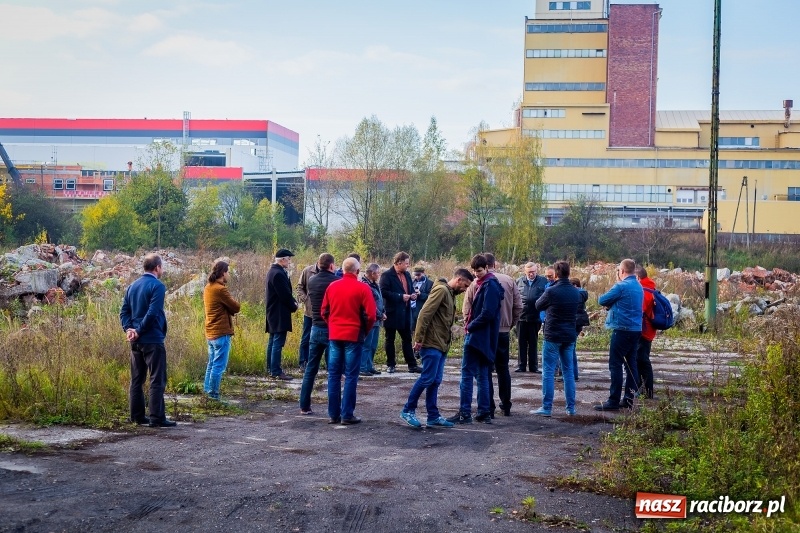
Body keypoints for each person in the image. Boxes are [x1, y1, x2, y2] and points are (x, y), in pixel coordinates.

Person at [400, 268, 475, 429]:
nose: (465, 289)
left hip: (441, 344)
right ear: (459, 280)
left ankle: (433, 416)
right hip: (431, 343)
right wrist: (418, 339)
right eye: (465, 285)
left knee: (435, 381)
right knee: (427, 378)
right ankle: (408, 410)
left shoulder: (449, 293)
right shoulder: (441, 290)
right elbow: (424, 314)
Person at [120, 253, 176, 428]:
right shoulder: (157, 286)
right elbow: (153, 312)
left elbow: (124, 312)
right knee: (157, 378)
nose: (162, 269)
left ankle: (136, 416)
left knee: (137, 379)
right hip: (152, 339)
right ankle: (156, 417)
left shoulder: (132, 286)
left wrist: (129, 329)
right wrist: (137, 330)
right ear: (157, 267)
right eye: (162, 267)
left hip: (136, 341)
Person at [447, 254, 503, 425]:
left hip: (478, 336)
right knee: (482, 374)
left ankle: (465, 412)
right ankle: (483, 412)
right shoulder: (486, 284)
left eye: (479, 271)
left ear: (486, 268)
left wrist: (470, 326)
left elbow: (488, 313)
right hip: (484, 337)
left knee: (468, 374)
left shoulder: (490, 285)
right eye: (474, 271)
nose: (476, 274)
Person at [322, 257, 376, 425]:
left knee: (334, 375)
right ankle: (347, 414)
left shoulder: (332, 286)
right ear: (357, 271)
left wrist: (332, 325)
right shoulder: (363, 288)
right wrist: (364, 331)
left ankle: (333, 414)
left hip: (335, 335)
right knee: (351, 375)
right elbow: (371, 315)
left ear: (343, 270)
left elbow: (324, 311)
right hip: (354, 335)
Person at [466, 253, 521, 417]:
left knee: (485, 370)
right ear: (494, 264)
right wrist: (509, 324)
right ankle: (506, 405)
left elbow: (467, 307)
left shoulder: (477, 282)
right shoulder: (509, 280)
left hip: (484, 332)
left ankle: (488, 406)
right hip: (503, 331)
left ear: (485, 266)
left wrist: (470, 327)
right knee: (503, 369)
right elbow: (519, 306)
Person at [531, 261, 587, 417]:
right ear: (569, 273)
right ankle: (571, 408)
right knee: (568, 372)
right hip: (569, 334)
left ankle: (547, 407)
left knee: (548, 371)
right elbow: (584, 295)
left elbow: (538, 305)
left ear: (555, 274)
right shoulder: (576, 292)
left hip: (553, 334)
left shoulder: (551, 291)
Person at [595, 259, 643, 411]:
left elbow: (602, 300)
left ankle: (613, 400)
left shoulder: (621, 286)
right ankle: (628, 398)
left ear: (622, 271)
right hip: (636, 329)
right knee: (631, 365)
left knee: (615, 364)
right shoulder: (638, 286)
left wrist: (617, 283)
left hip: (622, 329)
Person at [299, 253, 338, 415]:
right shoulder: (335, 282)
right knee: (333, 371)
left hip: (315, 327)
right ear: (331, 265)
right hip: (331, 329)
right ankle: (334, 409)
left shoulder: (312, 281)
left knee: (311, 369)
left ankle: (304, 405)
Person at [203, 260, 241, 401]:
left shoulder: (208, 287)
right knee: (218, 366)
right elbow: (236, 307)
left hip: (210, 331)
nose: (229, 275)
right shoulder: (220, 289)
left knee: (211, 364)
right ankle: (213, 396)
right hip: (221, 332)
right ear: (223, 273)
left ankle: (207, 392)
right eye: (228, 272)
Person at [379, 251, 421, 374]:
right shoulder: (387, 275)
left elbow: (410, 289)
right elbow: (383, 292)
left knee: (407, 338)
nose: (408, 265)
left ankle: (412, 365)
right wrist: (400, 296)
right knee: (390, 339)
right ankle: (391, 364)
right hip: (392, 312)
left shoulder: (407, 274)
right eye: (406, 263)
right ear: (399, 263)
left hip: (405, 312)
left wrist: (413, 295)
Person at [265, 248, 299, 380]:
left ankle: (271, 369)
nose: (290, 261)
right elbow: (284, 294)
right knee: (277, 342)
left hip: (273, 311)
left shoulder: (273, 271)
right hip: (278, 312)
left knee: (273, 341)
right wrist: (294, 305)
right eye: (288, 259)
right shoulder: (278, 273)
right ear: (282, 259)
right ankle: (276, 371)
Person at [516, 262, 548, 373]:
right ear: (525, 272)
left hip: (535, 317)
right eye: (529, 272)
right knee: (521, 342)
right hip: (521, 317)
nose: (531, 274)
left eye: (533, 272)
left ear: (536, 271)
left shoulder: (543, 281)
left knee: (533, 342)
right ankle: (521, 366)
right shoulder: (519, 281)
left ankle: (533, 366)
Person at [635, 266, 657, 399]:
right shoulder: (650, 287)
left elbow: (640, 309)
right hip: (647, 329)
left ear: (638, 278)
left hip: (644, 331)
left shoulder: (645, 291)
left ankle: (648, 391)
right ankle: (643, 389)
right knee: (641, 360)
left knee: (642, 360)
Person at [360, 263, 386, 376]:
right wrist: (380, 314)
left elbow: (379, 299)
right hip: (369, 319)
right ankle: (362, 367)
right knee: (366, 344)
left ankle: (369, 365)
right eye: (378, 273)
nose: (379, 275)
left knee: (373, 345)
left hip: (377, 319)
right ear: (372, 273)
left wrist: (383, 312)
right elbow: (369, 304)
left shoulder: (375, 284)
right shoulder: (365, 285)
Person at [296, 259, 321, 372]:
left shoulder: (330, 272)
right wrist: (305, 299)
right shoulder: (307, 271)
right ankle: (303, 362)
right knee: (306, 338)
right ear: (318, 262)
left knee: (323, 339)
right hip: (309, 312)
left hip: (323, 313)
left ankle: (318, 363)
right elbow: (299, 287)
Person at [570, 277, 590, 383]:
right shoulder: (583, 294)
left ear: (574, 286)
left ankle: (573, 374)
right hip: (579, 322)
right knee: (571, 347)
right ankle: (573, 374)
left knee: (570, 348)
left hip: (573, 322)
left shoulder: (575, 294)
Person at [410, 265, 434, 336]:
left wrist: (420, 294)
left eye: (418, 275)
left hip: (421, 309)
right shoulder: (412, 282)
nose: (416, 277)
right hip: (411, 308)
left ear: (423, 273)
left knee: (419, 329)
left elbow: (431, 298)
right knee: (410, 329)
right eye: (415, 275)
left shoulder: (430, 283)